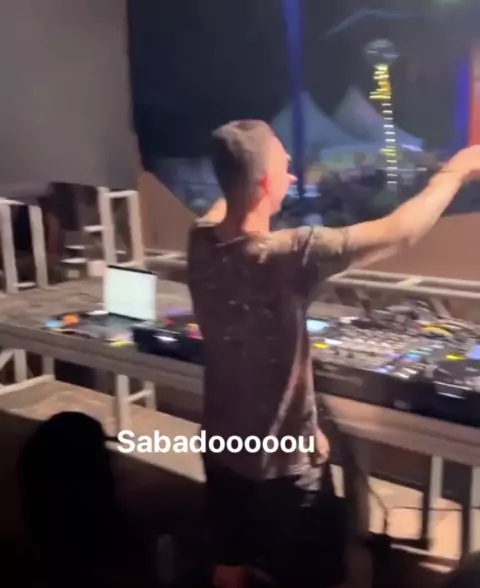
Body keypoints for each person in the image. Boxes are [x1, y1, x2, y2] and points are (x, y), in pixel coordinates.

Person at [187, 120, 480, 588]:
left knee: (229, 564)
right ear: (266, 183)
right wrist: (454, 173)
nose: (292, 169)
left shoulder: (199, 241)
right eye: (284, 165)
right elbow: (400, 232)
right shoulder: (290, 254)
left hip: (221, 450)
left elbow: (230, 197)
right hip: (284, 470)